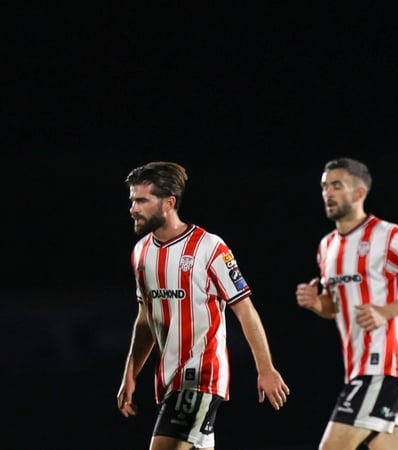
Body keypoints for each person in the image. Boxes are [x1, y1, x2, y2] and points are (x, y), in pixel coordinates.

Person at [116, 161, 290, 450]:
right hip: (169, 382)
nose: (133, 208)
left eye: (142, 200)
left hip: (201, 377)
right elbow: (146, 319)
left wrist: (266, 368)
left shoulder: (209, 247)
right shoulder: (141, 253)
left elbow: (244, 309)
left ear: (168, 203)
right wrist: (130, 374)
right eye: (133, 200)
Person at [296, 157, 398, 450]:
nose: (328, 193)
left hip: (383, 365)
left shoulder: (388, 236)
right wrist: (317, 303)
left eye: (337, 186)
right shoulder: (326, 246)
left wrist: (387, 311)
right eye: (324, 187)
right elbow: (335, 307)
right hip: (357, 366)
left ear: (359, 193)